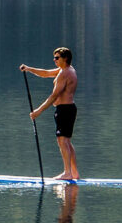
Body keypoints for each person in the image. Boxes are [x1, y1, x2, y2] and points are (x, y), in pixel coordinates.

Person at [21, 47, 80, 180]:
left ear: (65, 58)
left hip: (65, 110)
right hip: (68, 109)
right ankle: (74, 173)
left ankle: (67, 173)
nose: (54, 60)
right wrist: (29, 69)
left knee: (62, 140)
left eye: (57, 58)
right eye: (54, 57)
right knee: (66, 142)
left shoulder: (65, 73)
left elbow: (54, 96)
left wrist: (38, 111)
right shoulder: (66, 70)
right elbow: (46, 73)